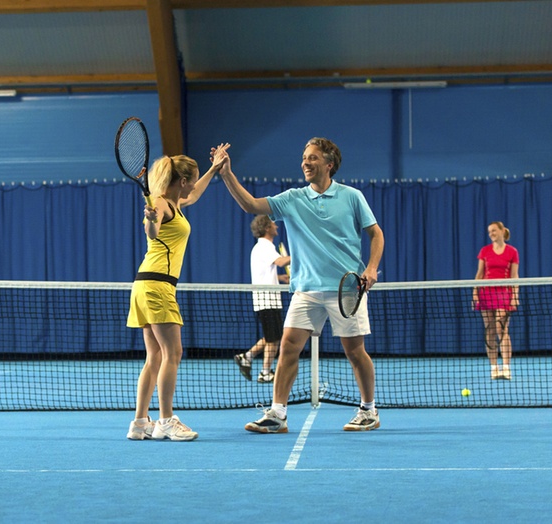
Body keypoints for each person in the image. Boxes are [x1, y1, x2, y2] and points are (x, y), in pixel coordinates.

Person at [215, 137, 384, 433]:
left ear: (329, 164)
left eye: (313, 158)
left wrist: (371, 268)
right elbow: (251, 205)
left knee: (355, 352)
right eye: (304, 157)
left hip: (346, 289)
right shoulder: (292, 199)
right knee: (289, 347)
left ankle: (368, 410)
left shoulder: (352, 196)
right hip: (306, 289)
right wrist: (227, 173)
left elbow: (376, 234)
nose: (305, 162)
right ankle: (278, 414)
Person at [126, 144, 230, 442]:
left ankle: (139, 423)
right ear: (181, 181)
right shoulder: (159, 204)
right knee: (173, 353)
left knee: (154, 356)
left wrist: (214, 168)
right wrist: (149, 219)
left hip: (144, 284)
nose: (194, 185)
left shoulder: (177, 202)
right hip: (158, 285)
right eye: (192, 179)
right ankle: (166, 420)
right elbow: (153, 231)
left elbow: (196, 193)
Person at [234, 215, 291, 383]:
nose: (277, 227)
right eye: (274, 224)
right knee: (274, 337)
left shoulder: (265, 247)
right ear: (266, 228)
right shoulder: (264, 247)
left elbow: (266, 271)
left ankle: (247, 357)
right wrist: (302, 255)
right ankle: (264, 371)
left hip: (268, 299)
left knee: (272, 335)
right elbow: (281, 262)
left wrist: (281, 278)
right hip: (267, 300)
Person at [472, 221, 519, 380]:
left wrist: (515, 296)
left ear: (501, 231)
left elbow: (514, 276)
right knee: (490, 330)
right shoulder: (484, 251)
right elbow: (479, 274)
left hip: (504, 293)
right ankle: (494, 368)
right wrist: (475, 293)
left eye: (493, 230)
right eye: (489, 231)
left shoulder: (512, 251)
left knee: (502, 329)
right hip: (486, 293)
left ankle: (506, 368)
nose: (491, 233)